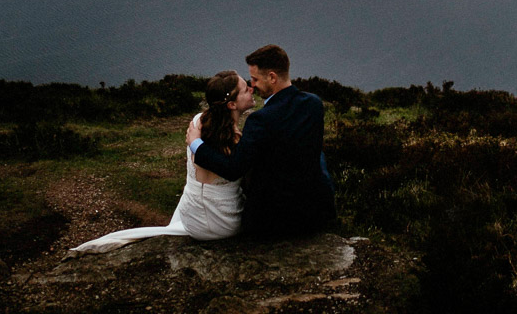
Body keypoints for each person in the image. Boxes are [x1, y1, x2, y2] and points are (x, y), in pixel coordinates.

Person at [70, 70, 255, 253]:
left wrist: (196, 144)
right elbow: (235, 171)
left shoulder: (197, 123)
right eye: (246, 88)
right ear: (231, 104)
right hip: (224, 225)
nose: (251, 88)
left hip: (191, 220)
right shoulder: (236, 141)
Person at [187, 44, 336, 237]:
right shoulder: (314, 104)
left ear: (272, 77)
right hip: (313, 215)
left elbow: (233, 169)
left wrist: (196, 145)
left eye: (255, 79)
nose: (253, 85)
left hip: (272, 223)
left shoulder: (260, 120)